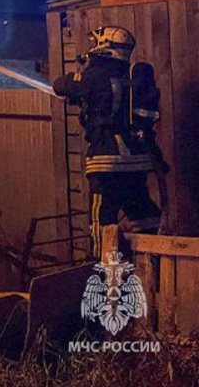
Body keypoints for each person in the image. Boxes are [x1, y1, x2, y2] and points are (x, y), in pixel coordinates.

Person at [52, 26, 164, 256]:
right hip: (136, 161)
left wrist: (83, 76)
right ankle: (150, 261)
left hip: (106, 160)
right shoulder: (132, 75)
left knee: (102, 217)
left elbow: (60, 85)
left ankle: (102, 269)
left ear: (104, 46)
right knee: (142, 210)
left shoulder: (96, 74)